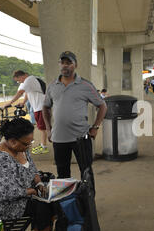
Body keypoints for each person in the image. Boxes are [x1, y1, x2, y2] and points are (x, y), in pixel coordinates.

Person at [42, 51, 107, 180]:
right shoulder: (52, 86)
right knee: (63, 174)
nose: (65, 66)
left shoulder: (85, 85)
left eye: (68, 63)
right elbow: (45, 107)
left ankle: (88, 200)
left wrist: (95, 127)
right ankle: (66, 200)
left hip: (81, 137)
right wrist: (49, 129)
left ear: (75, 65)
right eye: (62, 63)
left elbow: (102, 106)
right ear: (59, 64)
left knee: (86, 172)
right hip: (59, 138)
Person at [4, 71, 48, 155]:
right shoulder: (29, 81)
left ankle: (44, 147)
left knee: (43, 128)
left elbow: (20, 92)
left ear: (21, 76)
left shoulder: (29, 79)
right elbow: (27, 93)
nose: (19, 82)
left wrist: (10, 103)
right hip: (38, 107)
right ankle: (43, 145)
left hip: (41, 106)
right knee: (41, 127)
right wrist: (23, 103)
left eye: (18, 80)